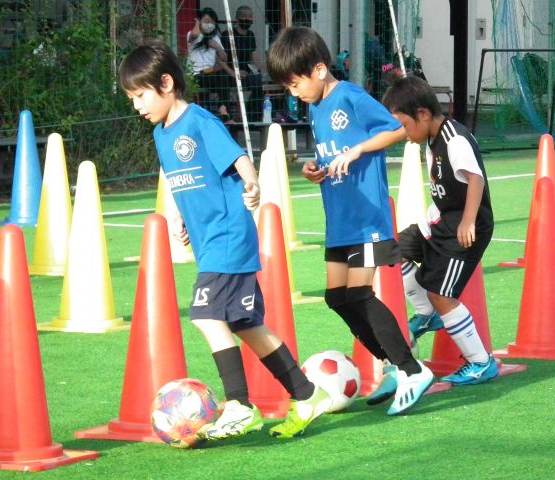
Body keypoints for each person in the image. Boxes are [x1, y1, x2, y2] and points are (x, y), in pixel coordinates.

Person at [119, 42, 330, 440]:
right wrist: (180, 216)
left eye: (141, 95)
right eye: (132, 99)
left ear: (166, 83)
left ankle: (239, 404)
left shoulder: (198, 121)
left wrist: (252, 185)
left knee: (204, 314)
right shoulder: (161, 135)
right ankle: (307, 394)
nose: (137, 106)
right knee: (245, 323)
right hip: (209, 241)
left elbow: (238, 159)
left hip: (229, 235)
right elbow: (178, 180)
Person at [267, 26, 433, 416]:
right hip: (338, 219)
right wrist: (316, 169)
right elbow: (331, 154)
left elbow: (397, 129)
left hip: (365, 217)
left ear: (320, 69)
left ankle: (413, 370)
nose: (294, 94)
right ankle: (393, 364)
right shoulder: (314, 107)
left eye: (295, 84)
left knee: (358, 294)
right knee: (336, 298)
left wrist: (358, 149)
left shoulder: (352, 97)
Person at [382, 75, 499, 386]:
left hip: (464, 229)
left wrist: (468, 221)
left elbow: (476, 179)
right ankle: (426, 314)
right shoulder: (430, 139)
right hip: (439, 220)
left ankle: (480, 362)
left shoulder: (454, 139)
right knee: (392, 252)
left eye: (402, 125)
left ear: (422, 114)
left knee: (441, 293)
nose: (400, 133)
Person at [220, 5, 264, 122]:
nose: (247, 19)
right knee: (222, 80)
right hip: (229, 72)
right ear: (237, 18)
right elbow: (221, 60)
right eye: (243, 16)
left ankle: (251, 116)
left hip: (245, 72)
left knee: (258, 82)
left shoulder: (250, 35)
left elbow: (253, 56)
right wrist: (235, 72)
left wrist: (263, 66)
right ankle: (227, 116)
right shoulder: (227, 35)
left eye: (249, 16)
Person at [187, 8, 231, 121]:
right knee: (217, 79)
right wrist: (197, 22)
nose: (209, 24)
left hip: (210, 73)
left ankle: (223, 108)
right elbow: (195, 34)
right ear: (200, 21)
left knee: (223, 76)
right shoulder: (192, 36)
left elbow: (224, 58)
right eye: (206, 21)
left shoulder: (215, 38)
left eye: (212, 22)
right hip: (195, 75)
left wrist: (217, 47)